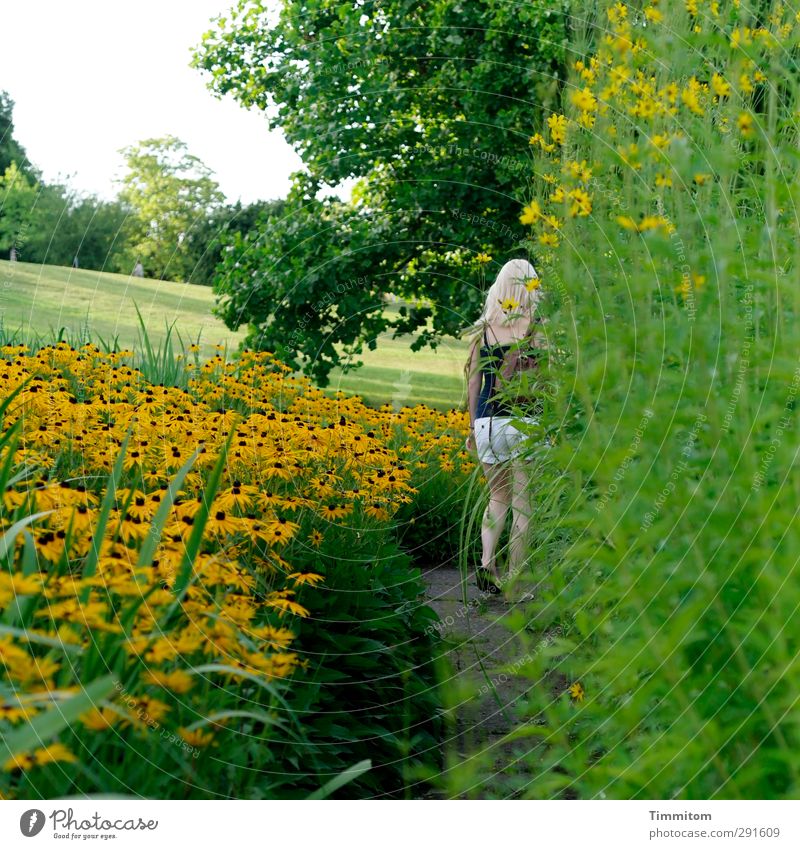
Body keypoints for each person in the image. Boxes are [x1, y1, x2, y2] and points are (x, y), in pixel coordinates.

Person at [464, 258, 543, 595]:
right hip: (526, 424)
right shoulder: (539, 330)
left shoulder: (483, 331)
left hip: (488, 422)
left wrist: (473, 427)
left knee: (498, 497)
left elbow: (472, 383)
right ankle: (514, 581)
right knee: (524, 504)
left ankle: (485, 565)